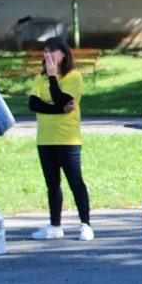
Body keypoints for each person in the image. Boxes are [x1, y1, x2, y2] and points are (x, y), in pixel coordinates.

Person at [28, 37, 93, 241]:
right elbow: (33, 104)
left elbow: (63, 99)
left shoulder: (74, 77)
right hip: (45, 139)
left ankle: (85, 224)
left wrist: (53, 77)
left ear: (63, 54)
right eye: (45, 52)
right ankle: (55, 224)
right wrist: (59, 110)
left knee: (75, 181)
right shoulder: (40, 79)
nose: (48, 57)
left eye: (52, 52)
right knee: (52, 184)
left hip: (68, 138)